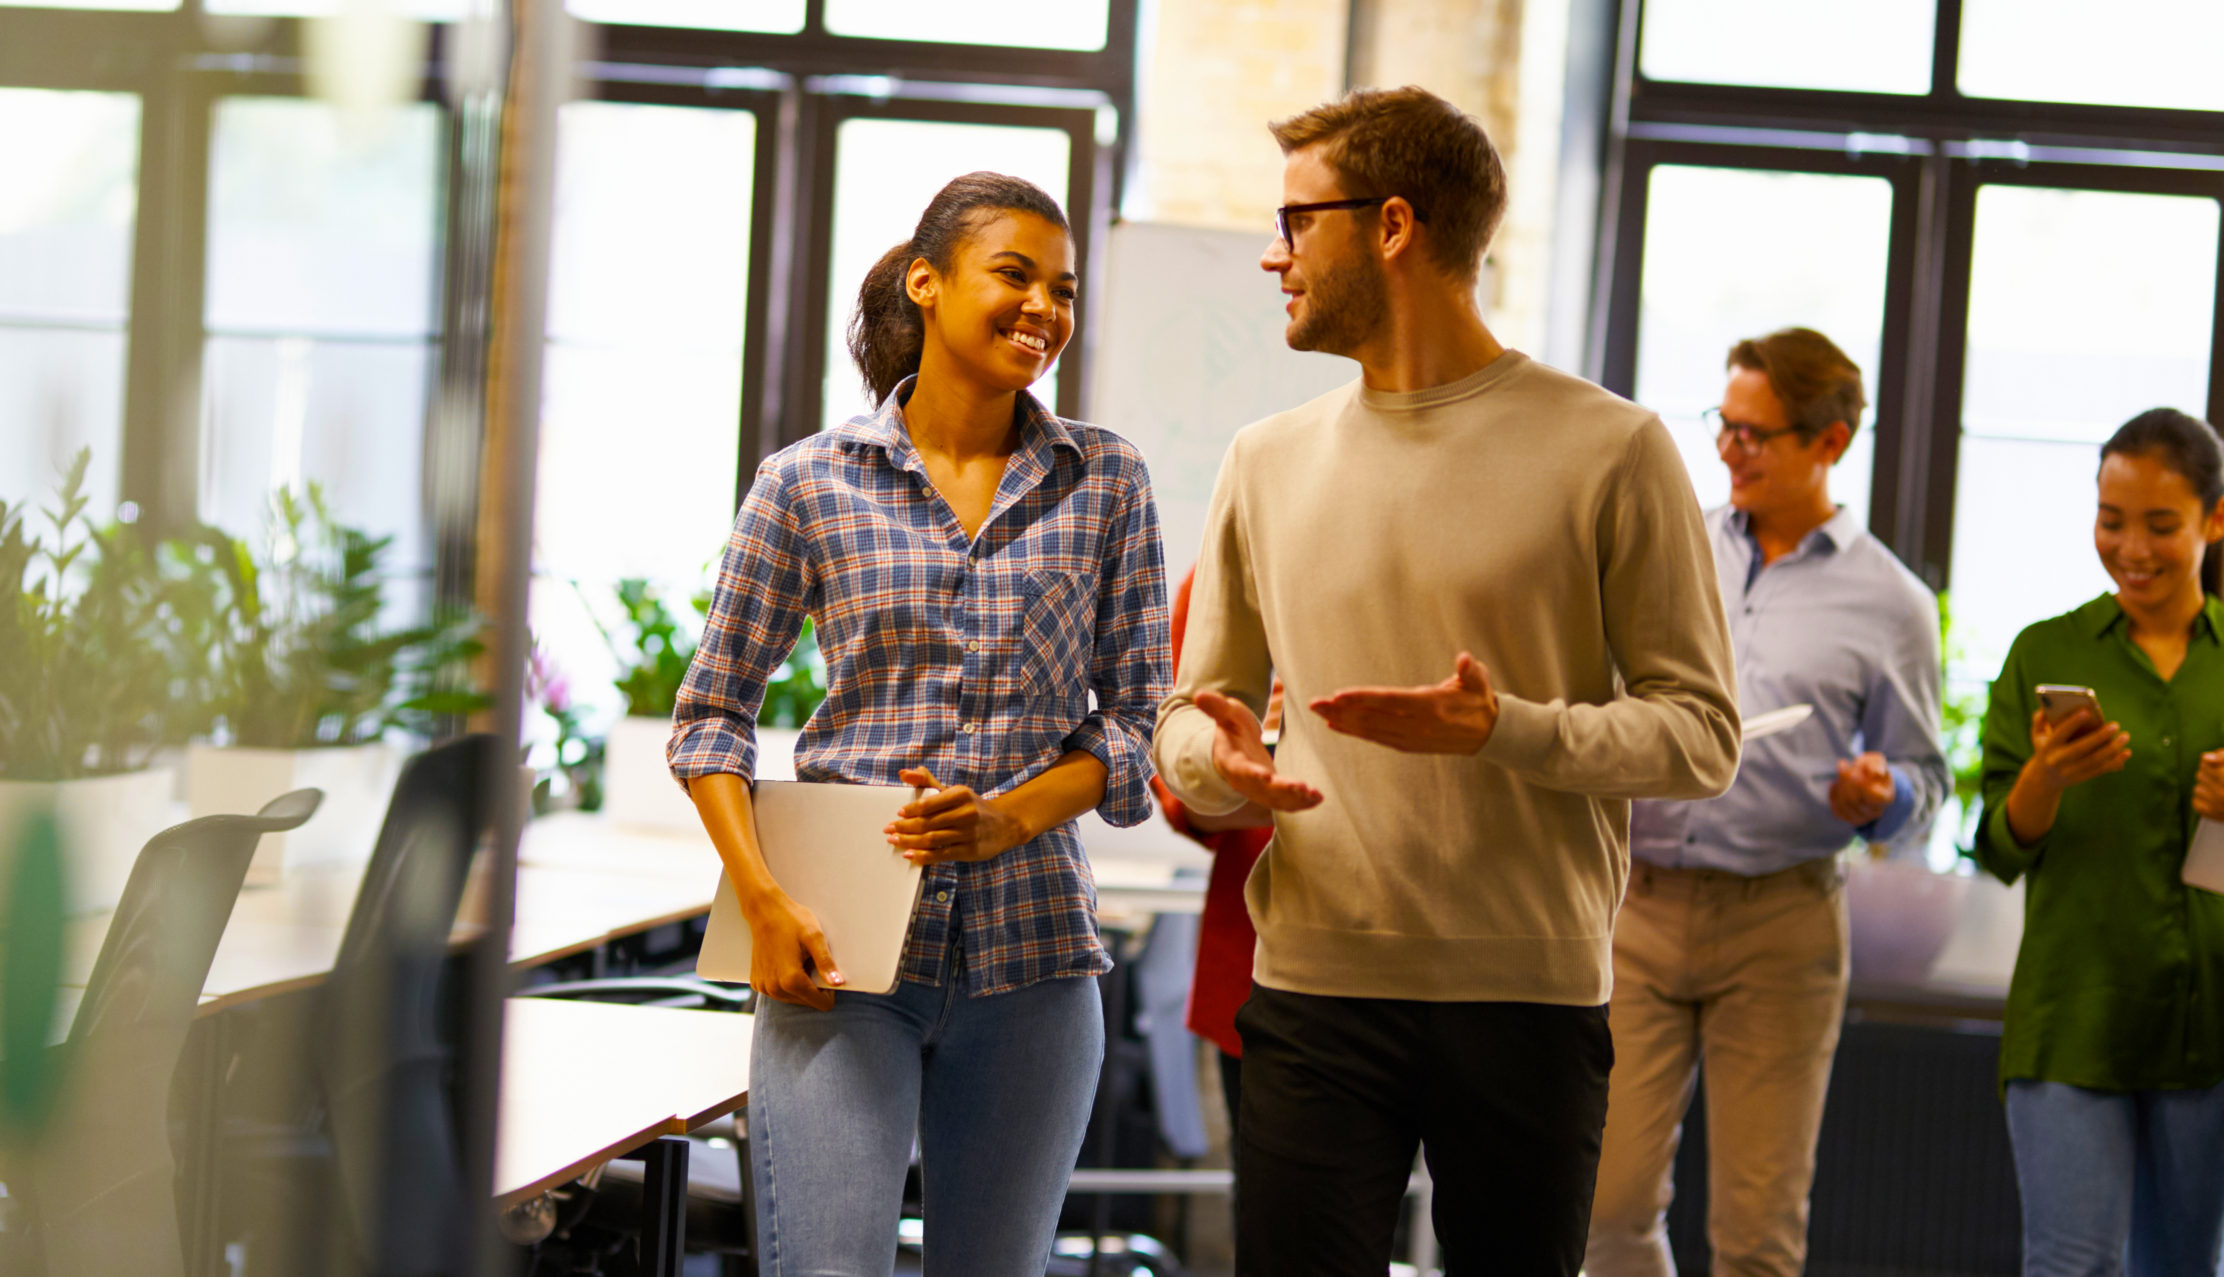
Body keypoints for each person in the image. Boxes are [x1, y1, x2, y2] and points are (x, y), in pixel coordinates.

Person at [1153, 86, 1741, 1275]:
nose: (1273, 254)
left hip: (1526, 996)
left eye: (1295, 220)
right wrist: (1217, 765)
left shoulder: (1612, 448)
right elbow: (1184, 719)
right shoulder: (1262, 461)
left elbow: (1699, 735)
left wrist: (1502, 729)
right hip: (1314, 986)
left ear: (1393, 226)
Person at [667, 171, 1170, 1276]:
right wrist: (760, 900)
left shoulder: (1107, 480)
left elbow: (1136, 720)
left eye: (1063, 287)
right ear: (926, 283)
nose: (1044, 307)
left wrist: (1007, 817)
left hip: (1034, 955)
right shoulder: (806, 483)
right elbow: (709, 716)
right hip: (837, 950)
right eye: (1016, 274)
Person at [1585, 329, 1948, 1277]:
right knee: (1607, 1205)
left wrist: (1885, 792)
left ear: (1828, 442)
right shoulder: (1671, 547)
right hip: (1639, 906)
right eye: (1722, 424)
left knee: (1757, 1232)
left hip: (1782, 921)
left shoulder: (1891, 602)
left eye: (1755, 434)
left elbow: (1925, 779)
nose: (1726, 450)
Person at [1973, 407, 2224, 1277]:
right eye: (2112, 521)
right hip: (2073, 1019)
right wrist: (2045, 775)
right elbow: (1997, 849)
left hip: (2212, 1029)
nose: (2133, 549)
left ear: (2213, 521)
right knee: (2070, 1267)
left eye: (2162, 525)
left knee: (2187, 1268)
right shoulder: (2045, 651)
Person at [1150, 571, 1276, 1128]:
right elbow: (1181, 793)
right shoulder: (1225, 576)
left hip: (1468, 960)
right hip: (1261, 962)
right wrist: (1228, 765)